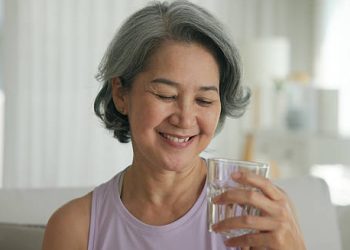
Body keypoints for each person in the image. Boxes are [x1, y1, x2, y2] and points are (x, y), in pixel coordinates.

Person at [42, 1, 306, 249]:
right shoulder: (75, 228)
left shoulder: (258, 212)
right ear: (121, 94)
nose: (185, 118)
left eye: (204, 100)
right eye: (165, 95)